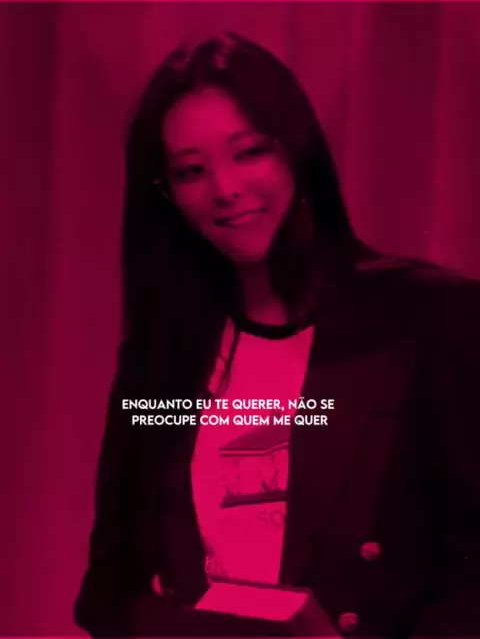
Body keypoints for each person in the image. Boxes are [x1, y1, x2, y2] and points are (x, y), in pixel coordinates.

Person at [74, 32, 480, 638]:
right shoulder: (161, 355)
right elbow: (109, 590)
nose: (225, 189)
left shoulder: (431, 317)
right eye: (191, 171)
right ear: (167, 194)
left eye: (248, 153)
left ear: (296, 150)